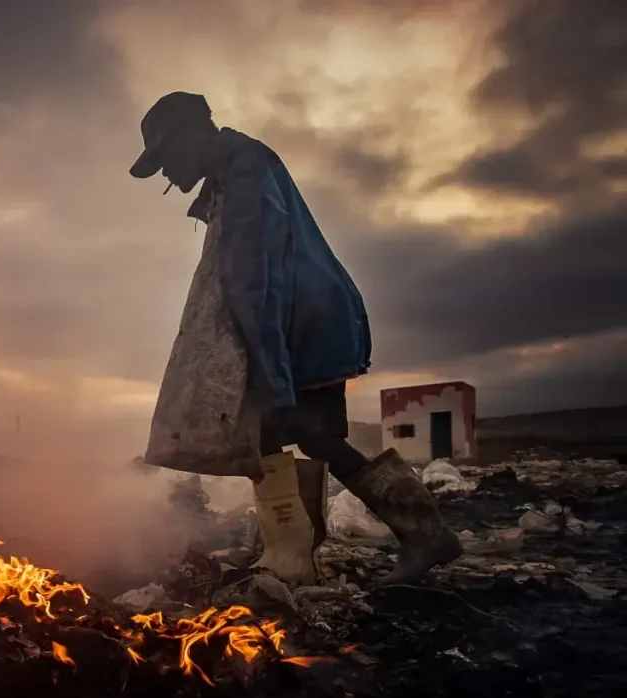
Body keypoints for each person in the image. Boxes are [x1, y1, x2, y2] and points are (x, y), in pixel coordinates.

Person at [129, 91, 462, 584]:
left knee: (308, 433)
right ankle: (292, 553)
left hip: (304, 324)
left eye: (165, 159)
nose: (167, 176)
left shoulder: (244, 170)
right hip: (302, 321)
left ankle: (416, 534)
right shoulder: (234, 170)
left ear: (191, 136)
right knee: (278, 436)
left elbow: (253, 283)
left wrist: (274, 378)